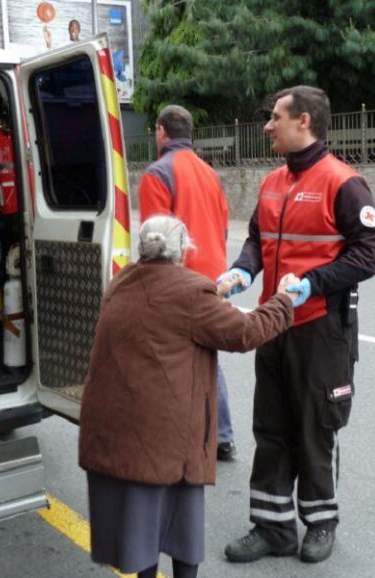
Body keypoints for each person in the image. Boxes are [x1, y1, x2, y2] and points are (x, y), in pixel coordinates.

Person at [219, 86, 375, 564]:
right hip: (274, 322)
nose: (268, 126)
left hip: (320, 327)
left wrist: (314, 283)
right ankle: (272, 527)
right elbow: (257, 239)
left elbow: (373, 251)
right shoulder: (273, 180)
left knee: (316, 426)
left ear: (305, 122)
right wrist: (242, 270)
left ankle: (321, 521)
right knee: (271, 426)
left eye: (276, 118)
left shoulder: (343, 182)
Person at [78, 215, 298, 578]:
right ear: (182, 250)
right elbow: (246, 332)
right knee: (183, 522)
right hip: (166, 437)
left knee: (141, 524)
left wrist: (216, 292)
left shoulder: (120, 282)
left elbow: (172, 308)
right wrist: (284, 301)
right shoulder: (192, 292)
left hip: (117, 431)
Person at [138, 105, 238, 462]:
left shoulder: (157, 174)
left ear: (162, 132)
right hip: (213, 276)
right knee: (206, 355)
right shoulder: (211, 174)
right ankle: (221, 435)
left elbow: (157, 239)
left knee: (171, 356)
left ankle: (183, 434)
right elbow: (224, 227)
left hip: (177, 278)